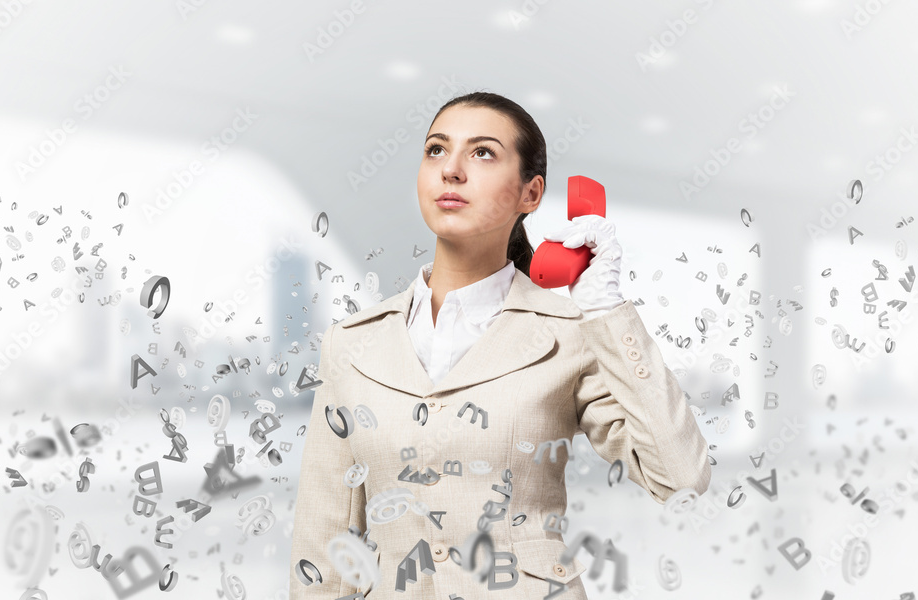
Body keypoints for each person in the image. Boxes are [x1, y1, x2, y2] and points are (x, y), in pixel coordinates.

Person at [290, 91, 710, 599]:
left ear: (531, 194)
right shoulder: (352, 343)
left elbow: (680, 478)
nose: (451, 170)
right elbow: (326, 538)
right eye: (436, 150)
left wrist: (605, 310)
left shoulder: (572, 333)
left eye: (483, 153)